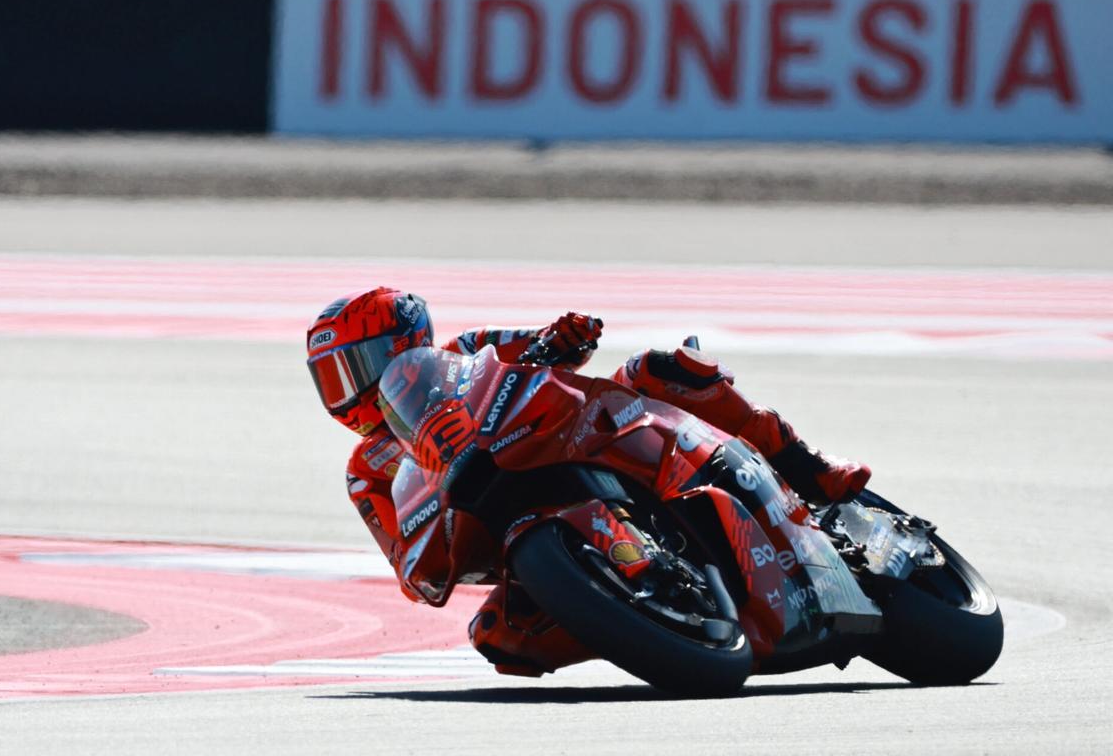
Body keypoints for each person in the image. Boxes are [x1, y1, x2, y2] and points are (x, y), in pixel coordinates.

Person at [307, 286, 871, 676]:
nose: (353, 388)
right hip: (499, 521)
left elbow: (553, 344)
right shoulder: (367, 471)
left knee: (660, 368)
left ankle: (809, 470)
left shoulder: (465, 351)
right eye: (333, 378)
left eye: (363, 363)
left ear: (407, 342)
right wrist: (429, 547)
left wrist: (565, 334)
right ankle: (649, 623)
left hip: (565, 440)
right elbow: (411, 572)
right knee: (501, 636)